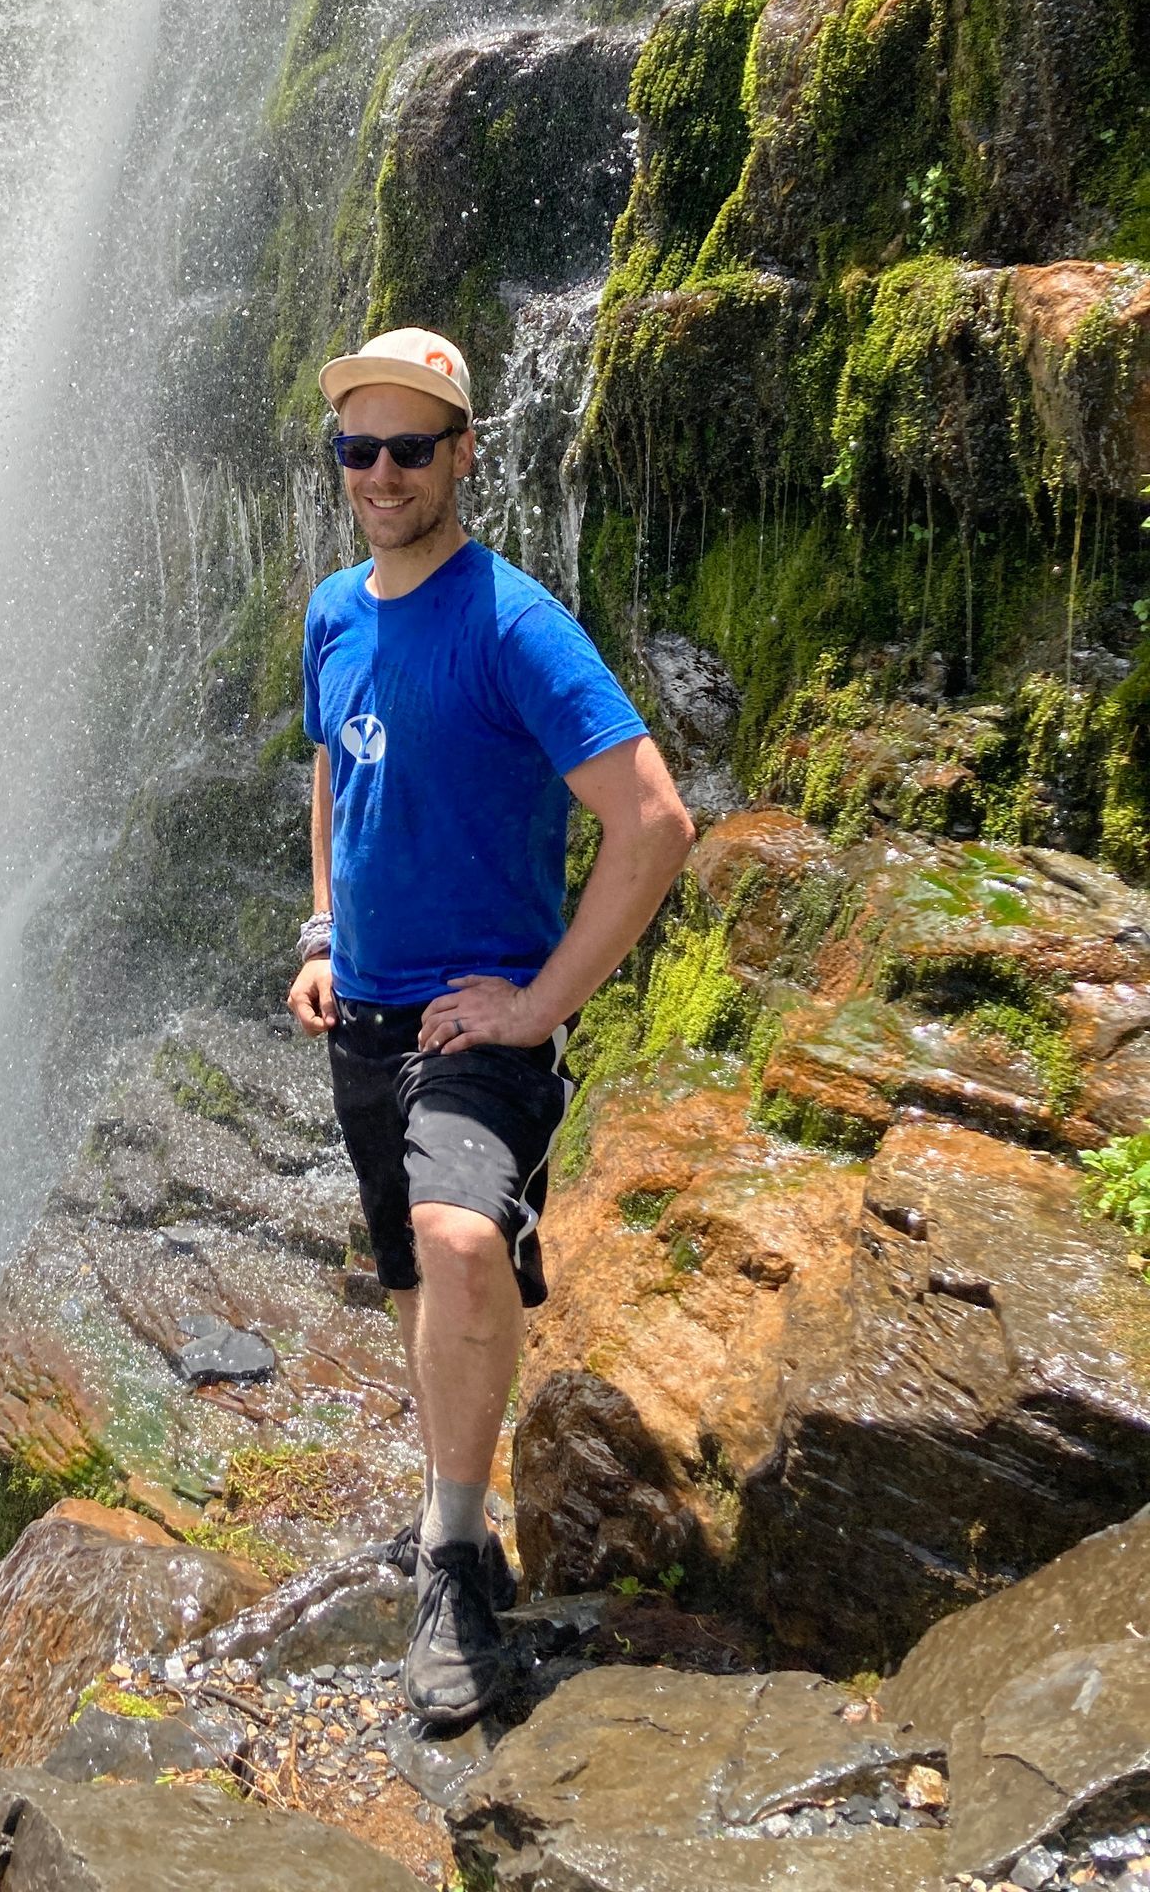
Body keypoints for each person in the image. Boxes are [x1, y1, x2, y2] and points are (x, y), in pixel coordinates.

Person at [288, 326, 694, 1728]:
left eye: (411, 447)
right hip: (367, 1019)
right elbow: (332, 773)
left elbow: (652, 823)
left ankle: (454, 1563)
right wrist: (323, 932)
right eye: (360, 449)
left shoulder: (515, 623)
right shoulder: (336, 612)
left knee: (462, 1251)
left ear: (464, 454)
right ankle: (451, 1496)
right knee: (417, 1278)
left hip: (480, 1032)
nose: (382, 472)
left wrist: (536, 1006)